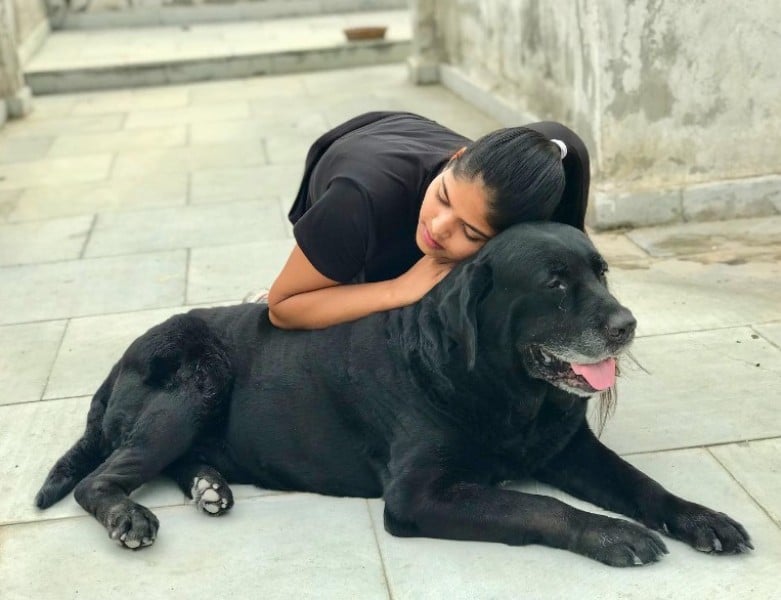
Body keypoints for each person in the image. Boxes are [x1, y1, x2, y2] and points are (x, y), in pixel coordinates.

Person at [263, 111, 590, 330]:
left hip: (410, 156)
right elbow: (282, 307)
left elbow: (559, 138)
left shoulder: (546, 162)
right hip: (365, 157)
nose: (438, 227)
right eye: (444, 197)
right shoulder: (353, 203)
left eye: (470, 232)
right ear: (457, 156)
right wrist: (396, 290)